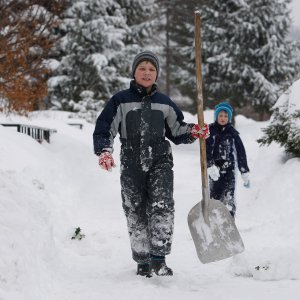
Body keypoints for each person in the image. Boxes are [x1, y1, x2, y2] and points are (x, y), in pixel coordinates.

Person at [93, 50, 209, 277]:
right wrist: (104, 151)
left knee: (162, 206)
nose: (147, 73)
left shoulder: (164, 102)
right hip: (131, 161)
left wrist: (193, 130)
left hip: (160, 161)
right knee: (134, 209)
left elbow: (177, 130)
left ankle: (159, 258)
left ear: (157, 74)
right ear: (134, 72)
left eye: (152, 69)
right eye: (142, 68)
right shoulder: (120, 100)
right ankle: (142, 260)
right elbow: (105, 128)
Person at [206, 102, 250, 218]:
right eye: (220, 115)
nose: (223, 118)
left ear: (229, 118)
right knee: (215, 197)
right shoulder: (211, 131)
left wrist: (244, 171)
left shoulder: (232, 133)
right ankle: (213, 221)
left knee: (229, 197)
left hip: (229, 170)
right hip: (215, 170)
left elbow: (241, 152)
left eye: (226, 116)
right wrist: (210, 165)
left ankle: (230, 222)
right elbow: (206, 150)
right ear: (216, 117)